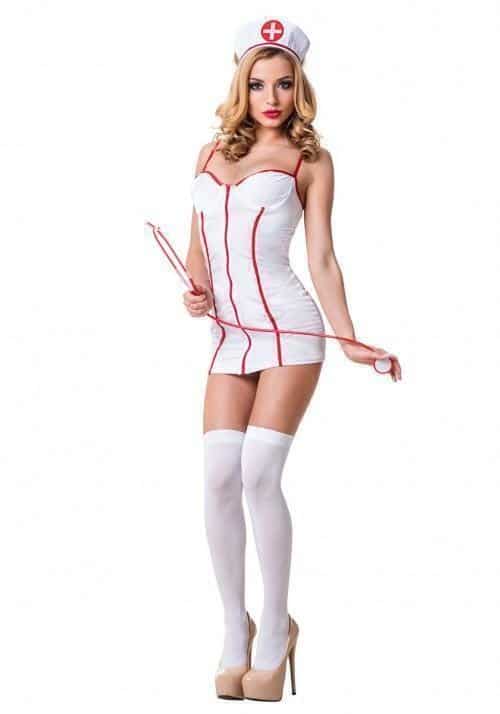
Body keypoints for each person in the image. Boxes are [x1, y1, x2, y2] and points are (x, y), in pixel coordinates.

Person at [184, 16, 402, 702]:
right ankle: (235, 629)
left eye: (283, 84)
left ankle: (276, 633)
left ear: (299, 86)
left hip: (292, 332)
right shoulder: (209, 152)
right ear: (240, 86)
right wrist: (196, 291)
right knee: (218, 476)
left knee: (257, 473)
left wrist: (351, 335)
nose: (270, 97)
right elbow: (198, 248)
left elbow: (322, 257)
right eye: (257, 84)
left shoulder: (312, 161)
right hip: (231, 337)